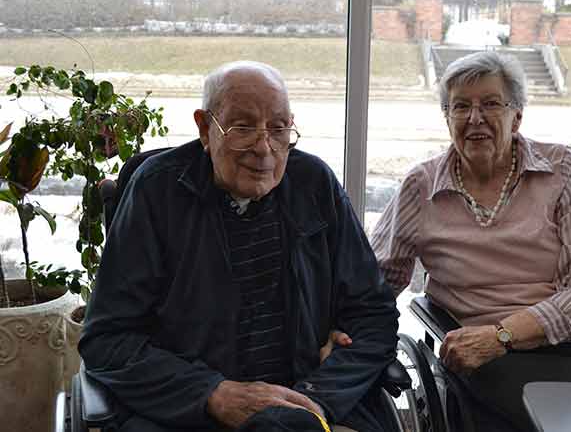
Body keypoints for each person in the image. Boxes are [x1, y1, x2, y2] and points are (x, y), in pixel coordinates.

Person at [370, 51, 571, 431]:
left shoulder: (564, 170)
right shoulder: (421, 187)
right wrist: (344, 336)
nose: (475, 118)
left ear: (517, 116)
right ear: (447, 118)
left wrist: (505, 333)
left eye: (491, 103)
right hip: (505, 355)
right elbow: (377, 279)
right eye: (460, 106)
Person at [79, 61, 400, 432]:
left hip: (313, 404)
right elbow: (108, 340)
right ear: (205, 128)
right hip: (190, 412)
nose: (264, 148)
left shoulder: (314, 184)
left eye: (278, 129)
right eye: (243, 128)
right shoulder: (157, 192)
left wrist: (314, 399)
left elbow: (373, 314)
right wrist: (213, 394)